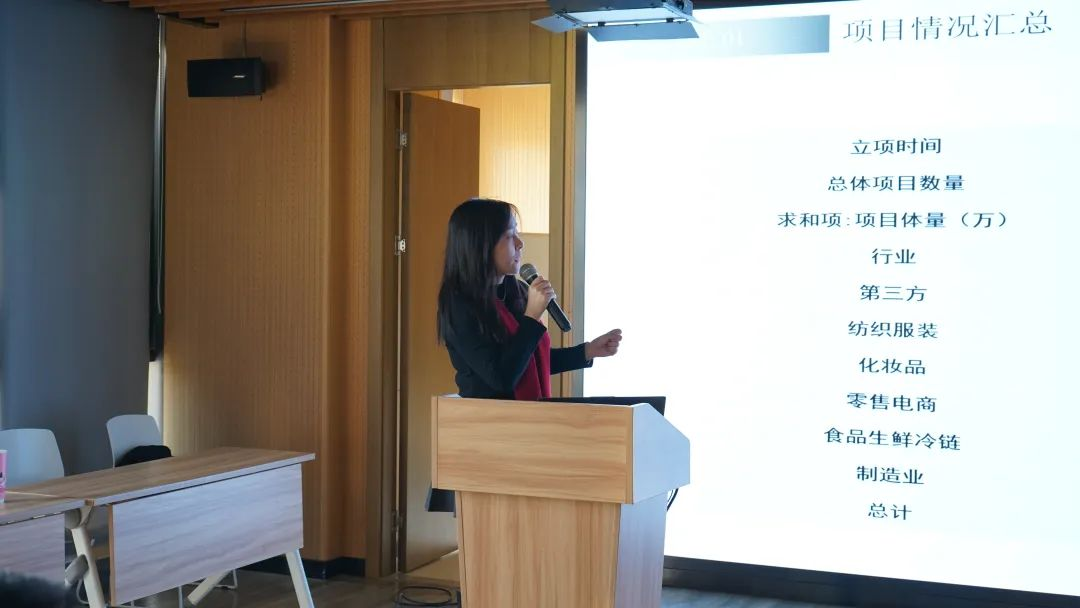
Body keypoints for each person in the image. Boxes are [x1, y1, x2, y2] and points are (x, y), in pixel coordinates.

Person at [436, 198, 622, 400]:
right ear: (481, 244)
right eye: (509, 235)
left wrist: (588, 350)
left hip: (531, 414)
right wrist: (532, 317)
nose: (520, 243)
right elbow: (502, 377)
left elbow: (531, 361)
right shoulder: (459, 305)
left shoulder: (517, 290)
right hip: (487, 417)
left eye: (517, 233)